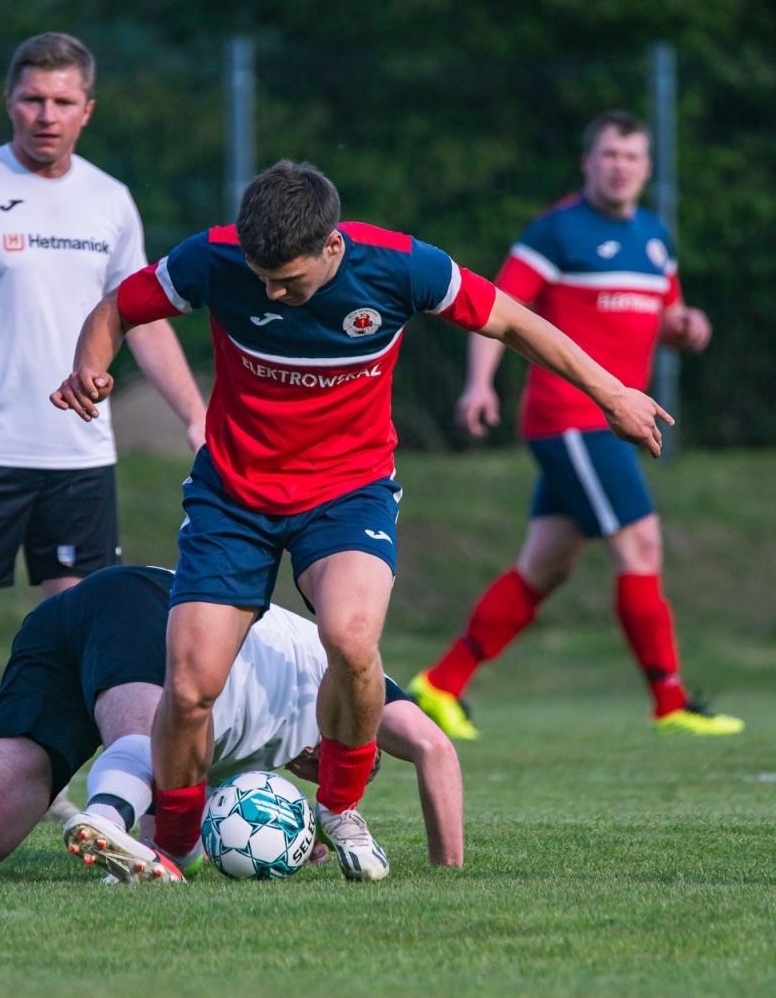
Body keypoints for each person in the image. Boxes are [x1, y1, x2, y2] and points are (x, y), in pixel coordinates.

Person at [52, 159, 670, 882]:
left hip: (347, 493)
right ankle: (176, 843)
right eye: (261, 278)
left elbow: (513, 320)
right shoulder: (215, 258)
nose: (271, 293)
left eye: (288, 280)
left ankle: (341, 807)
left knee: (350, 640)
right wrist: (89, 364)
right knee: (190, 687)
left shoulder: (402, 267)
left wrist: (612, 394)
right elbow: (118, 308)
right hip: (232, 498)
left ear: (333, 246)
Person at [0, 31, 205, 784]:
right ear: (9, 102)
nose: (45, 115)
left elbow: (141, 316)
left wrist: (194, 412)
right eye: (32, 99)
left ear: (88, 109)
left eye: (62, 101)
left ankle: (60, 786)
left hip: (79, 453)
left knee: (87, 622)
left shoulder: (109, 199)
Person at [0, 566, 462, 885]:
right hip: (142, 602)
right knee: (150, 743)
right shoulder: (346, 676)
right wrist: (446, 872)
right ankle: (102, 822)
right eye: (343, 760)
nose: (316, 770)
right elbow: (433, 746)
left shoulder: (268, 751)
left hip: (60, 627)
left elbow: (180, 810)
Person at [409, 111, 744, 740]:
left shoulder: (655, 237)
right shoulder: (556, 231)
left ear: (647, 168)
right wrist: (479, 384)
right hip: (573, 417)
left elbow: (667, 317)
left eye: (632, 157)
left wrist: (687, 328)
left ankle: (441, 684)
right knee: (640, 545)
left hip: (608, 423)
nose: (621, 167)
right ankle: (670, 702)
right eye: (610, 155)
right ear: (588, 162)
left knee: (546, 566)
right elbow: (495, 309)